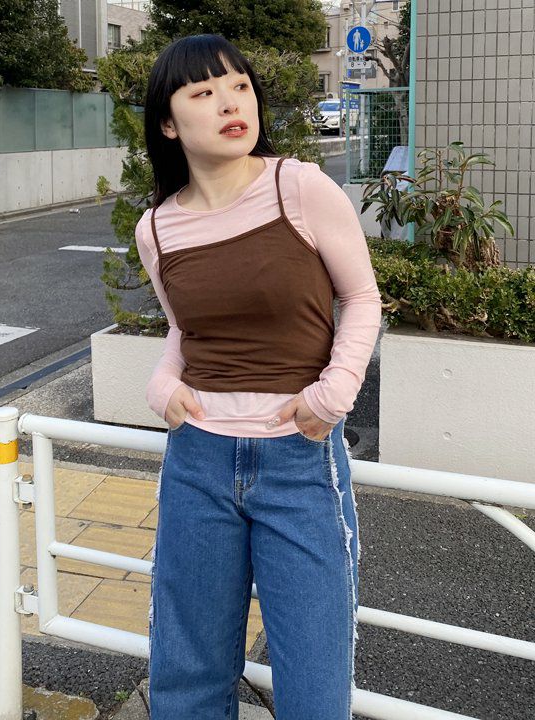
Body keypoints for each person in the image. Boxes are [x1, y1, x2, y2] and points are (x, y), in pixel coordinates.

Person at [135, 33, 382, 720]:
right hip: (197, 460)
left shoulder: (297, 187)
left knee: (313, 678)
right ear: (167, 123)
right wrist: (162, 385)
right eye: (204, 92)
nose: (230, 103)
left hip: (298, 459)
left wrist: (333, 395)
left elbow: (361, 298)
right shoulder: (156, 229)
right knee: (187, 671)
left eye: (240, 86)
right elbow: (184, 328)